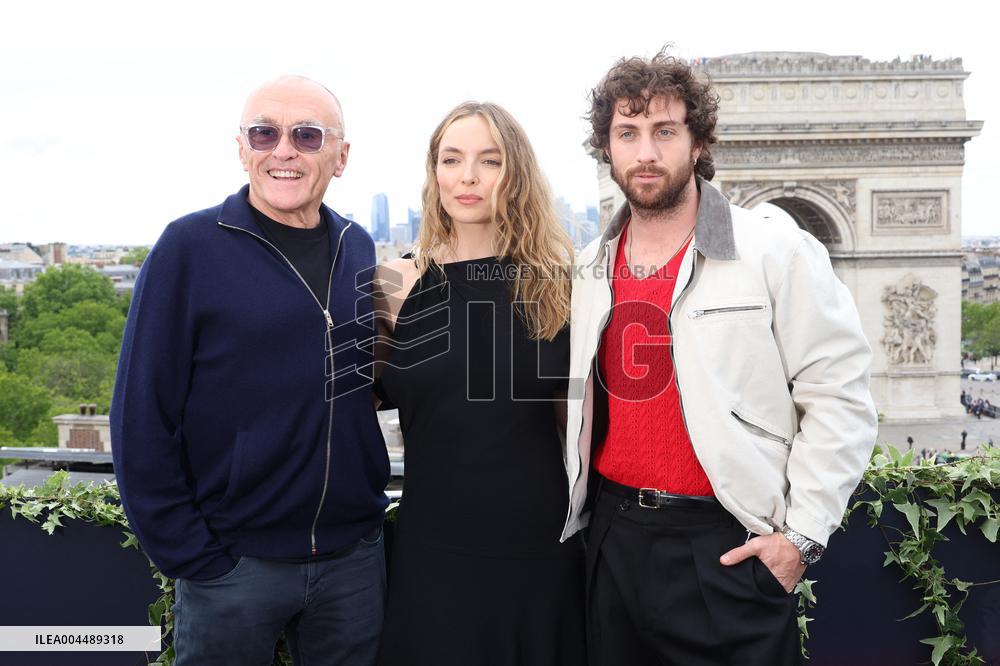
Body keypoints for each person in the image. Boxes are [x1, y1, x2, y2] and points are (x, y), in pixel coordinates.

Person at [563, 51, 878, 666]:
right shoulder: (587, 268)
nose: (645, 152)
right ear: (606, 148)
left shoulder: (777, 250)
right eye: (627, 133)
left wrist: (800, 539)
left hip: (727, 546)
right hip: (613, 539)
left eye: (665, 131)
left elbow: (839, 395)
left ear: (699, 141)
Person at [110, 76, 389, 666]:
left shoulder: (359, 248)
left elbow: (365, 383)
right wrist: (194, 557)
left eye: (307, 135)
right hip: (233, 568)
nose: (283, 149)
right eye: (264, 133)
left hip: (353, 562)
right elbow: (141, 413)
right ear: (242, 149)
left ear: (341, 157)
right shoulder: (189, 248)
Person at [373, 101, 586, 665]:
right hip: (430, 552)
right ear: (434, 172)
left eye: (489, 161)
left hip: (540, 551)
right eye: (452, 159)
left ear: (515, 175)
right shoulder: (391, 284)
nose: (467, 176)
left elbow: (580, 428)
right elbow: (343, 412)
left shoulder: (562, 286)